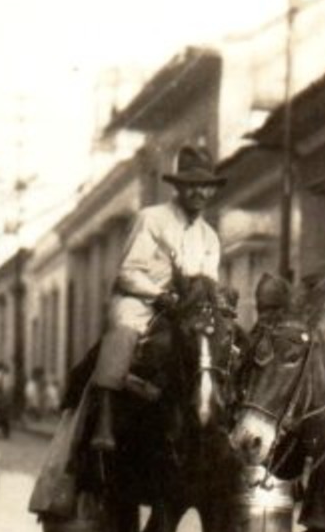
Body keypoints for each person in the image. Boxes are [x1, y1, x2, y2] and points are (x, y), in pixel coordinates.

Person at [87, 145, 224, 451]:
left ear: (211, 191)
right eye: (191, 184)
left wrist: (215, 300)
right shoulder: (151, 219)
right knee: (123, 330)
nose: (198, 192)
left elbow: (209, 281)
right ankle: (104, 421)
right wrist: (159, 295)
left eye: (205, 185)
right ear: (178, 186)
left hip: (187, 307)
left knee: (227, 341)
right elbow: (127, 272)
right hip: (143, 300)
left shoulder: (210, 237)